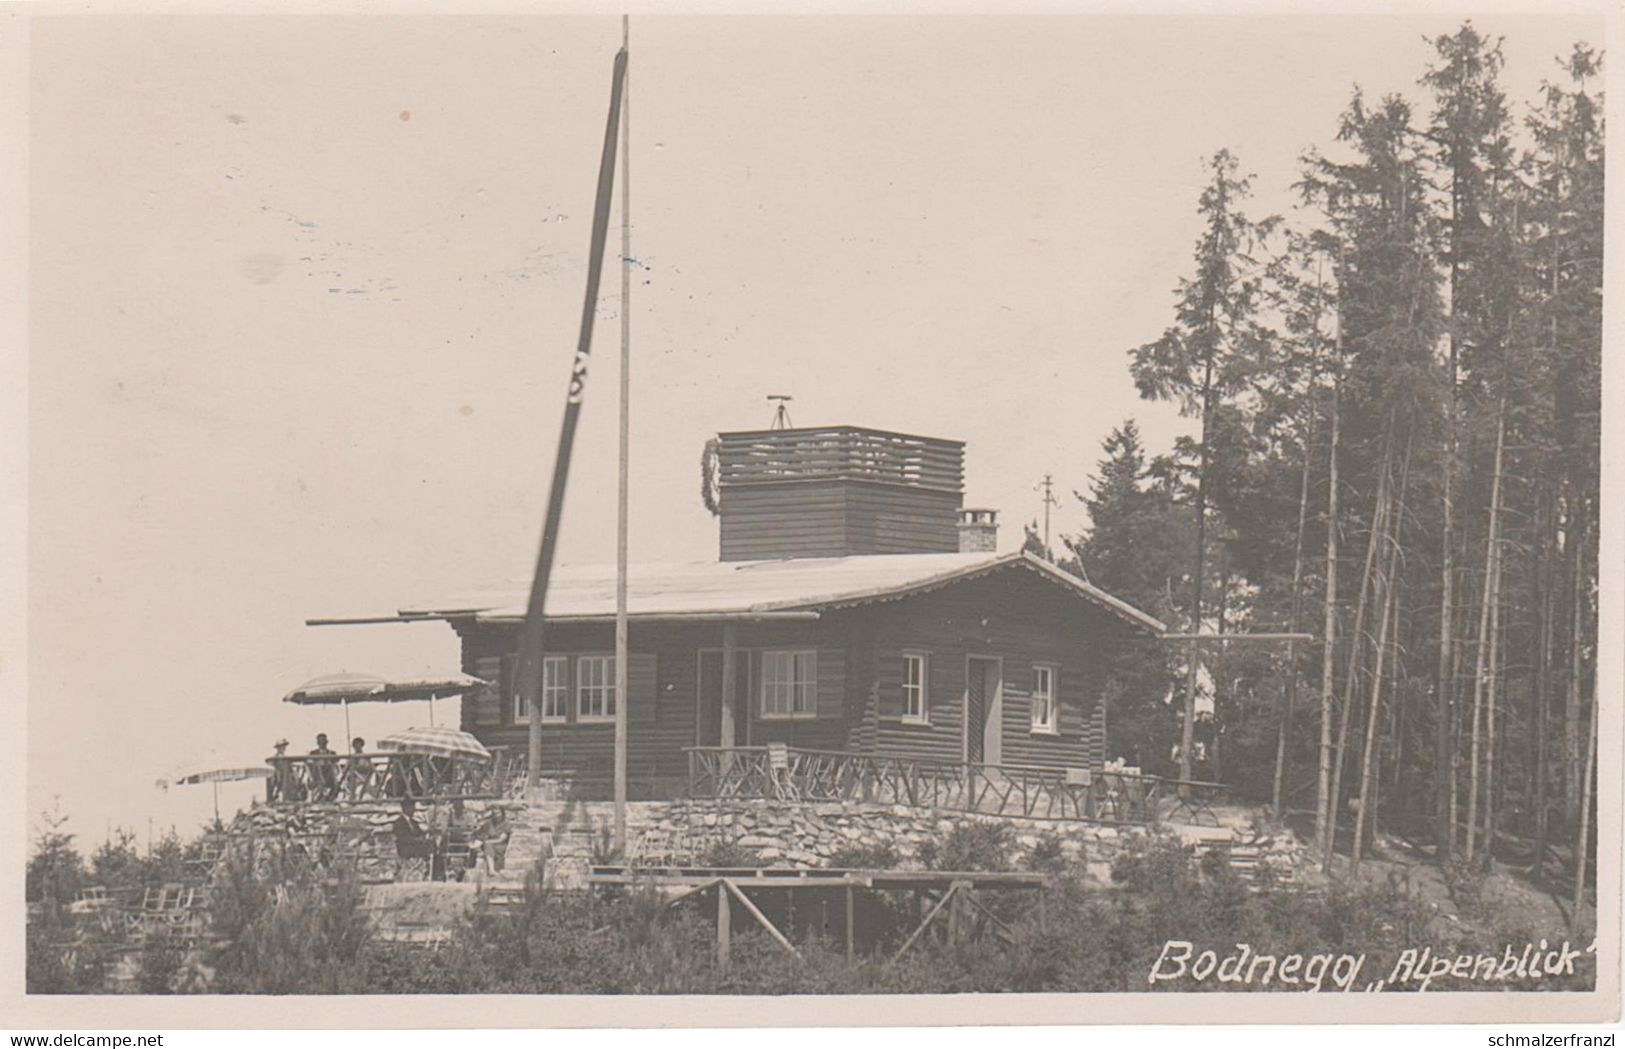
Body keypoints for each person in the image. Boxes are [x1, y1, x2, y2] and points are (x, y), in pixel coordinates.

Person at [309, 733, 339, 802]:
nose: (322, 744)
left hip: (330, 774)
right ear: (317, 743)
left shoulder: (332, 753)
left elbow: (336, 762)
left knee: (333, 776)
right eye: (320, 742)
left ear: (327, 742)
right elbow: (310, 764)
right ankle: (320, 796)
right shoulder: (313, 753)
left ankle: (330, 797)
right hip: (317, 774)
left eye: (324, 742)